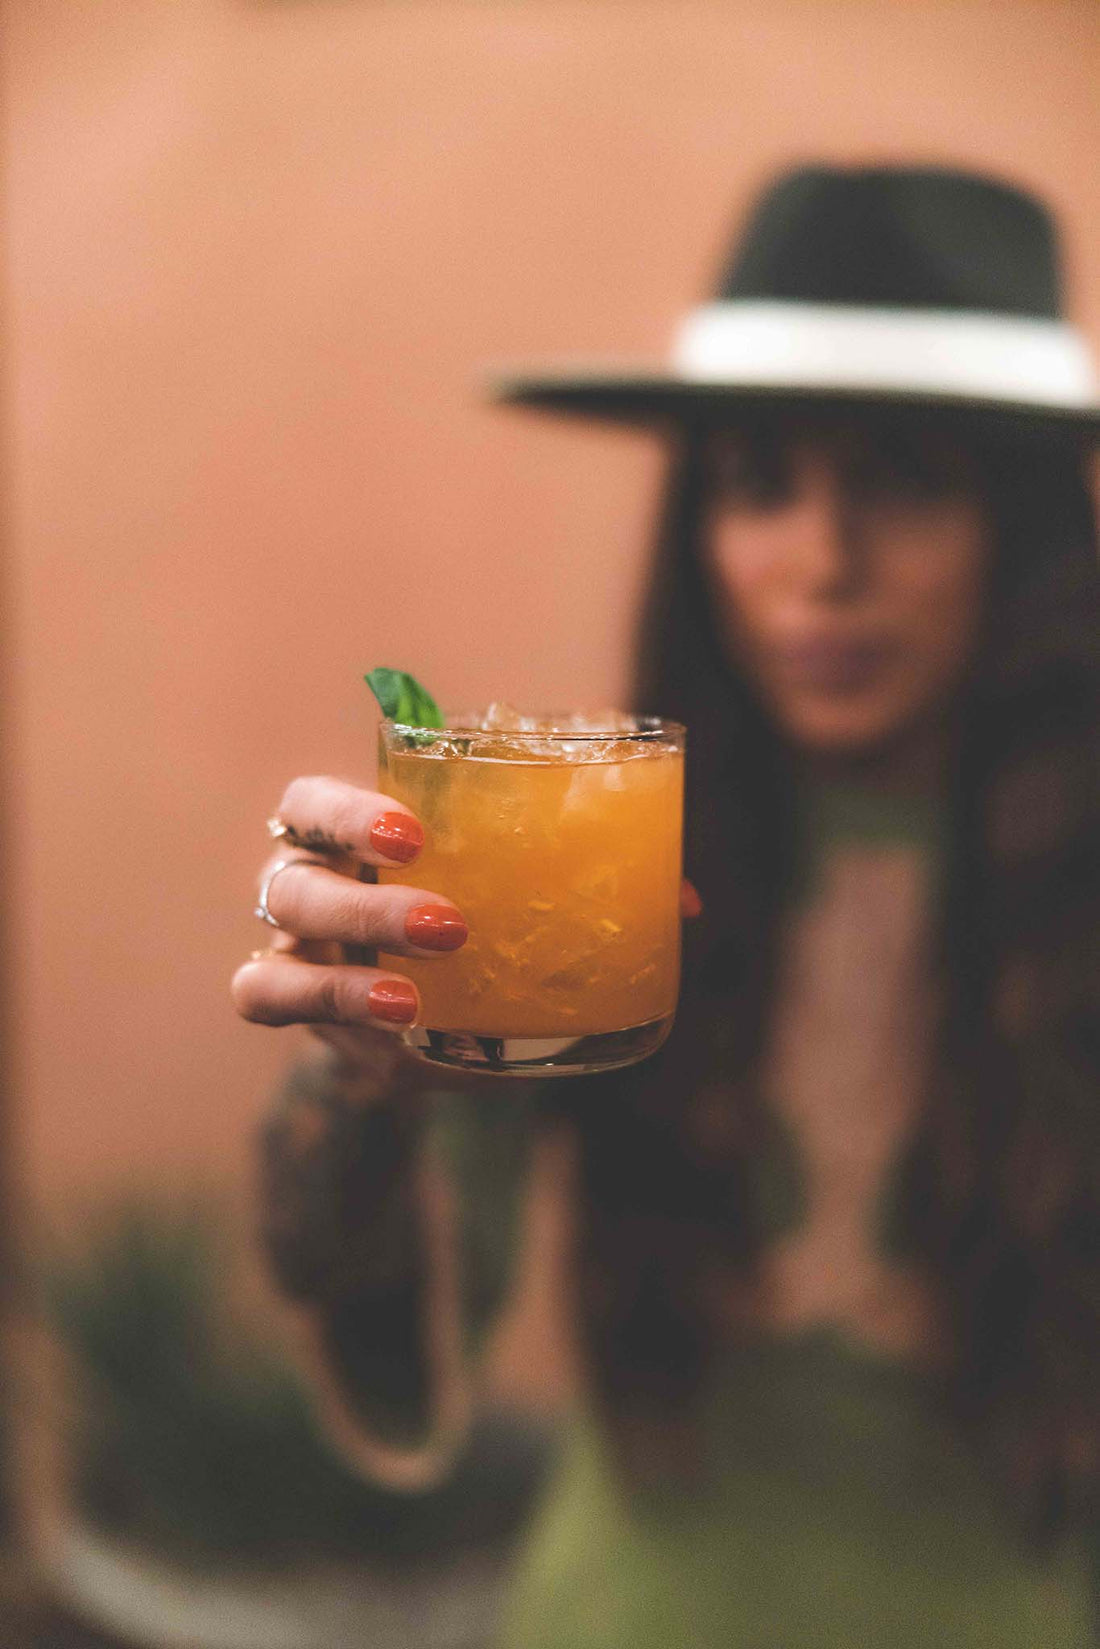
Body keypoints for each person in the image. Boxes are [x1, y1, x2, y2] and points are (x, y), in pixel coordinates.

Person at [232, 166, 1099, 1645]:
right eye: (758, 485)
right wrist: (372, 1084)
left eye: (899, 480)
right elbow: (398, 1312)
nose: (821, 566)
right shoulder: (598, 854)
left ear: (1020, 530)